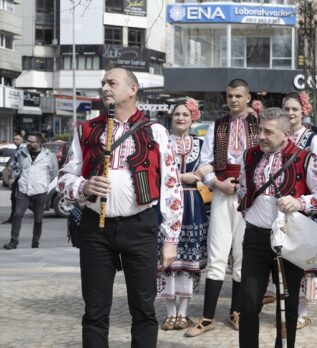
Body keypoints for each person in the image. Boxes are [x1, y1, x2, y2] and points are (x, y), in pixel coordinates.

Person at [57, 67, 183, 347]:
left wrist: (171, 239)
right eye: (102, 83)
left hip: (140, 227)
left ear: (132, 89)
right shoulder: (86, 129)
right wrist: (84, 187)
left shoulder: (156, 131)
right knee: (95, 310)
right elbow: (64, 177)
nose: (104, 88)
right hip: (95, 228)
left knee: (143, 309)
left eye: (111, 82)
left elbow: (172, 188)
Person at [237, 107, 317, 348]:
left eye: (268, 131)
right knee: (248, 304)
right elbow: (242, 187)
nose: (260, 136)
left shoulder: (305, 158)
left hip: (289, 240)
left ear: (285, 133)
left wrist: (300, 202)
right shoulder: (250, 156)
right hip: (255, 238)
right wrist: (248, 211)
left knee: (288, 307)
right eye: (259, 129)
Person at [187, 79, 259, 337]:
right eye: (230, 96)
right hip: (221, 194)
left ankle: (236, 312)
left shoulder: (259, 125)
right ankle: (207, 317)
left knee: (242, 257)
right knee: (216, 254)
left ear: (248, 97)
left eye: (238, 95)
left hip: (250, 198)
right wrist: (217, 183)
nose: (233, 100)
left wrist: (248, 185)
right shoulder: (216, 126)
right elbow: (205, 164)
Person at [281, 91, 317, 330]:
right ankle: (287, 307)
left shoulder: (313, 138)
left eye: (294, 109)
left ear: (304, 111)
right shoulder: (280, 136)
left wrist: (304, 199)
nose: (290, 113)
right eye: (287, 109)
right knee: (284, 260)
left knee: (304, 261)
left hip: (306, 207)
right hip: (283, 209)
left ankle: (301, 312)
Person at [157, 99, 209, 331]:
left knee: (190, 258)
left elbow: (213, 165)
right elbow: (155, 173)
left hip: (192, 203)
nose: (180, 118)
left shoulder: (200, 143)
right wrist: (181, 178)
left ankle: (183, 312)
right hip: (167, 202)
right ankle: (169, 312)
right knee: (166, 259)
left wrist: (204, 172)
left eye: (185, 114)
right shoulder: (162, 143)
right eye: (177, 114)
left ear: (192, 118)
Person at [3, 133, 57, 250]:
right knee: (17, 215)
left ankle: (35, 242)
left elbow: (53, 172)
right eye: (28, 141)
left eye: (32, 142)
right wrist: (13, 178)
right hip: (24, 190)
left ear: (39, 143)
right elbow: (17, 167)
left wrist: (44, 183)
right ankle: (13, 241)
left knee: (38, 219)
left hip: (40, 191)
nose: (28, 143)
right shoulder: (22, 153)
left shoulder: (49, 155)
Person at [2, 133, 26, 224]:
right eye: (14, 139)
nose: (15, 141)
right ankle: (13, 218)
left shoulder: (23, 150)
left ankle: (15, 218)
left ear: (22, 139)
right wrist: (9, 168)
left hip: (19, 178)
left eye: (17, 139)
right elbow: (16, 161)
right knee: (14, 198)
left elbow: (21, 165)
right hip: (17, 177)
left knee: (16, 199)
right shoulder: (19, 149)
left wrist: (14, 177)